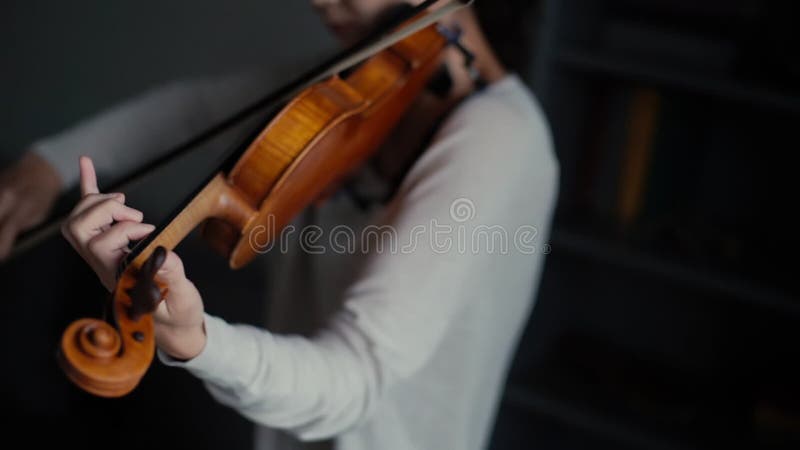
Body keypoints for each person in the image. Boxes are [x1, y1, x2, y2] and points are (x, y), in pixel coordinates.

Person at [3, 1, 558, 449]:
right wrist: (46, 166)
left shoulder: (500, 141)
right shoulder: (346, 91)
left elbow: (356, 375)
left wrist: (196, 341)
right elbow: (191, 113)